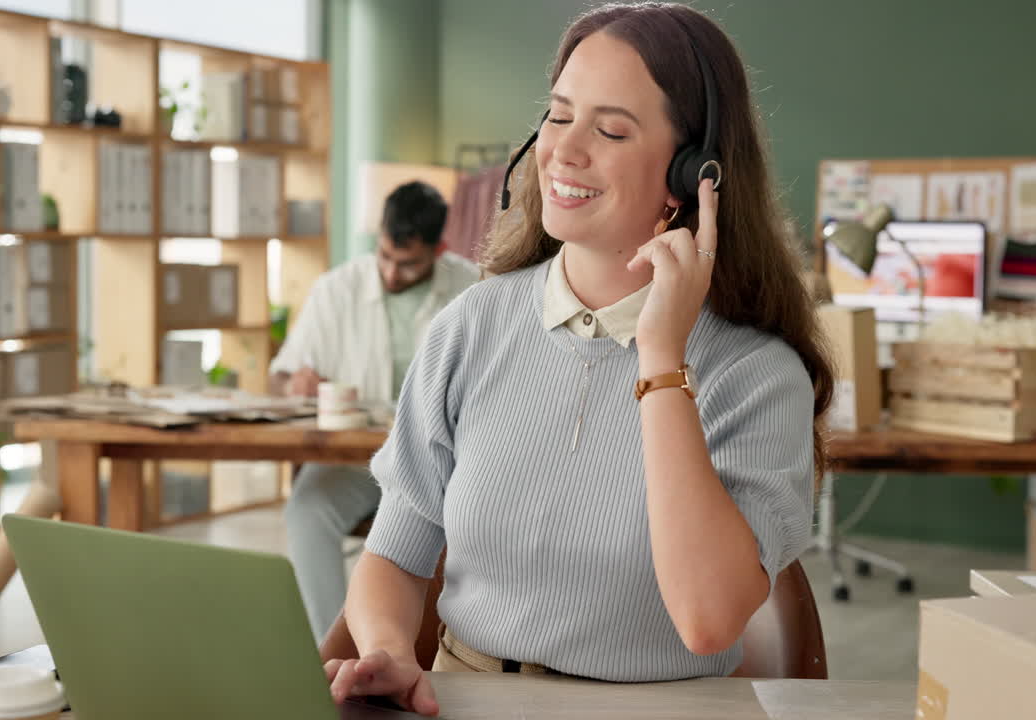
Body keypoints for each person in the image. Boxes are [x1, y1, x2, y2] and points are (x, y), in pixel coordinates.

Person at [324, 3, 834, 716]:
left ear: (695, 174)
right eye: (559, 116)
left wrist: (661, 358)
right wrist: (386, 648)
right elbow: (397, 551)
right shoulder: (471, 325)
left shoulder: (756, 374)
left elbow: (710, 617)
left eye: (612, 129)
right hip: (461, 697)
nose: (564, 151)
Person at [269, 181, 480, 642]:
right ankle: (330, 649)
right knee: (307, 509)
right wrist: (296, 384)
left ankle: (430, 647)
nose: (390, 274)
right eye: (384, 256)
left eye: (408, 264)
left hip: (442, 467)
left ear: (439, 249)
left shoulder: (473, 292)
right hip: (353, 465)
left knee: (467, 520)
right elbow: (280, 378)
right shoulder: (336, 289)